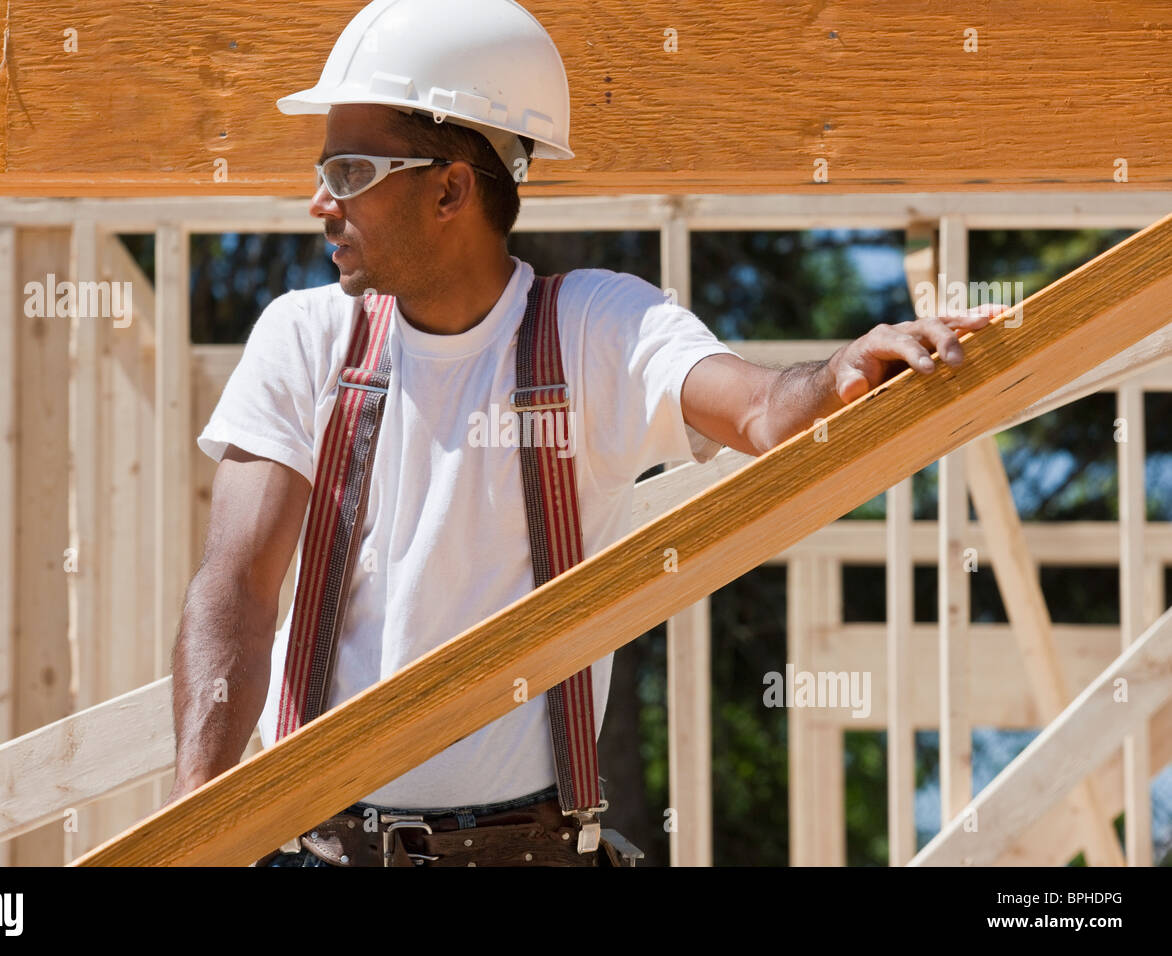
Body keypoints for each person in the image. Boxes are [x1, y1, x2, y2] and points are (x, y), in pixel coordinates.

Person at [164, 0, 1002, 867]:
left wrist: (836, 376)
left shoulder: (595, 327)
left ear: (450, 187)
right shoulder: (306, 340)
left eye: (347, 172)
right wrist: (193, 828)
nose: (319, 203)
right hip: (323, 850)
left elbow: (758, 410)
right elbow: (238, 586)